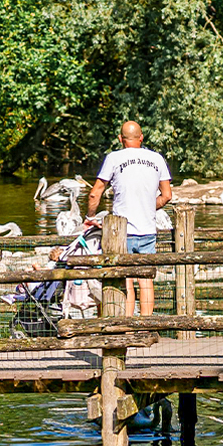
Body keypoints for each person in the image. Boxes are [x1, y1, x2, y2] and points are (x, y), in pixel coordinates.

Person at [85, 120, 172, 316]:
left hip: (121, 232)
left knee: (127, 281)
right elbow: (167, 195)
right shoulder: (156, 158)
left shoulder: (114, 158)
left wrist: (89, 216)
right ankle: (146, 326)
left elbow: (95, 192)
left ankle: (128, 327)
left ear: (120, 139)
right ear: (141, 138)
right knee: (146, 280)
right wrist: (149, 206)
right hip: (147, 229)